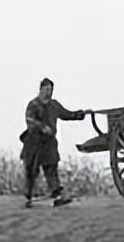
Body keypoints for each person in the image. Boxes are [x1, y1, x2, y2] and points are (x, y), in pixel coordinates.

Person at [20, 78, 88, 208]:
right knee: (31, 169)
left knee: (51, 167)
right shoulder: (33, 105)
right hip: (34, 142)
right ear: (40, 90)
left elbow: (67, 114)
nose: (48, 92)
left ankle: (57, 194)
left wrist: (80, 114)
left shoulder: (54, 105)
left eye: (50, 90)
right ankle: (27, 196)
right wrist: (41, 127)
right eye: (46, 89)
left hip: (49, 142)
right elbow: (30, 120)